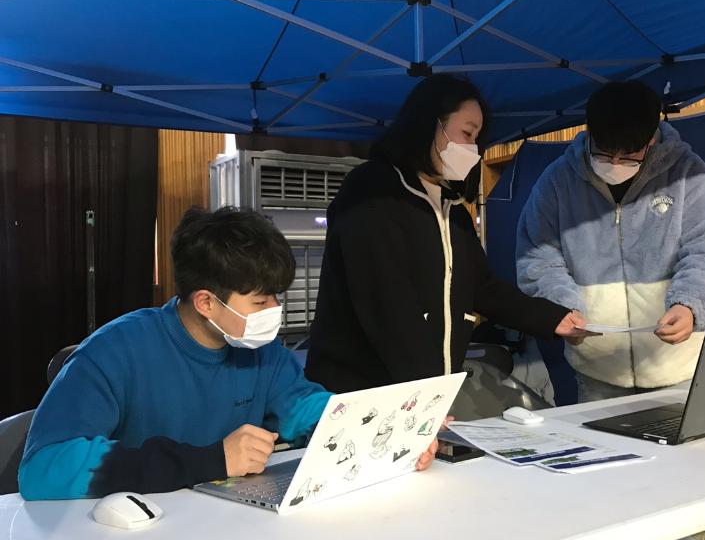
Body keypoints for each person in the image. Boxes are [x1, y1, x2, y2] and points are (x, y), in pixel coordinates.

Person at [19, 207, 440, 500]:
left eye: (276, 297)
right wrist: (211, 459)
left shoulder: (261, 351)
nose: (275, 310)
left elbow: (304, 407)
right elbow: (44, 468)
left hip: (231, 532)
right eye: (260, 302)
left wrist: (390, 434)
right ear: (206, 302)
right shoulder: (115, 352)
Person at [516, 81, 705, 540]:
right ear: (587, 134)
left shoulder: (690, 176)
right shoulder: (557, 182)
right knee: (604, 477)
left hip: (674, 365)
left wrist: (691, 306)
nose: (615, 163)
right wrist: (562, 306)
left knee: (680, 481)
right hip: (598, 366)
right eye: (605, 152)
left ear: (653, 138)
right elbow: (537, 255)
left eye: (629, 154)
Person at [306, 74, 590, 393]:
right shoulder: (373, 191)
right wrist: (427, 393)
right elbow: (388, 305)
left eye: (477, 139)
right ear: (430, 123)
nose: (472, 149)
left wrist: (551, 318)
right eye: (467, 133)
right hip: (362, 392)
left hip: (422, 390)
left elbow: (482, 288)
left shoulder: (451, 210)